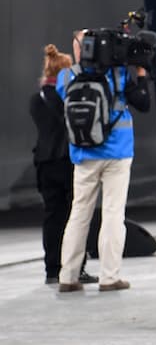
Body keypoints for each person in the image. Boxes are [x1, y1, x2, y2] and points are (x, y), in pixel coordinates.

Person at [57, 30, 151, 292]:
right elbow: (143, 104)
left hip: (83, 154)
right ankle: (109, 277)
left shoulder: (66, 77)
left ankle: (68, 276)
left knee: (78, 215)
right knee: (112, 215)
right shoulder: (118, 75)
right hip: (117, 153)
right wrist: (140, 72)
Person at [29, 44, 97, 286]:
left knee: (52, 216)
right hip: (67, 160)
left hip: (44, 163)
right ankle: (75, 268)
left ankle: (51, 268)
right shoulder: (67, 97)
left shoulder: (36, 98)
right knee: (75, 216)